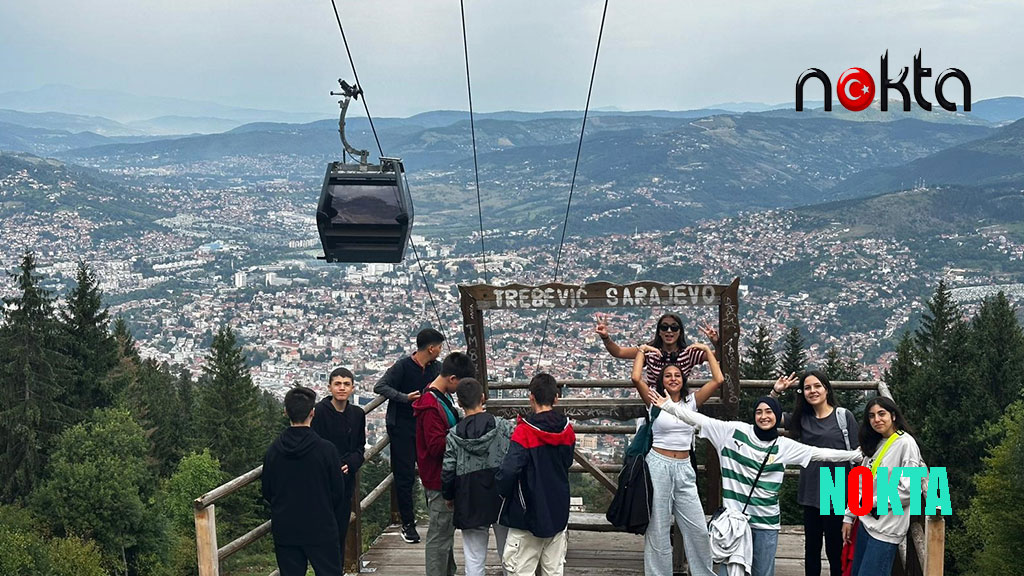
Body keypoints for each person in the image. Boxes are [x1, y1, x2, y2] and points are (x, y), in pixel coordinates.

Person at [649, 390, 861, 576]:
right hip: (735, 522)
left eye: (769, 412)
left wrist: (856, 455)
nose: (763, 416)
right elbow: (698, 419)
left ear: (777, 417)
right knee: (731, 570)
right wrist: (668, 407)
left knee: (766, 570)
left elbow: (820, 453)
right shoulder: (733, 432)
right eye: (759, 412)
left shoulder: (786, 445)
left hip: (768, 521)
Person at [631, 351, 722, 576]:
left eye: (677, 375)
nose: (673, 378)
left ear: (684, 380)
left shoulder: (692, 402)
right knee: (658, 529)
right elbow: (635, 378)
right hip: (657, 465)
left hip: (684, 466)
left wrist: (707, 350)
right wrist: (642, 351)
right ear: (661, 381)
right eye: (668, 376)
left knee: (698, 528)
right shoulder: (654, 400)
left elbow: (718, 380)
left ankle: (703, 572)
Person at [771, 370, 859, 576]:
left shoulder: (844, 417)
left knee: (835, 549)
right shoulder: (802, 419)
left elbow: (858, 455)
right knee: (811, 549)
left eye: (817, 386)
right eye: (808, 388)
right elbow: (768, 416)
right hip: (811, 488)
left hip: (837, 487)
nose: (813, 391)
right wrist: (776, 392)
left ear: (826, 389)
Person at [496, 373, 575, 576]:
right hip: (558, 508)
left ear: (531, 397)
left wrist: (503, 492)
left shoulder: (524, 432)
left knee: (521, 569)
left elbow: (509, 469)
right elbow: (566, 462)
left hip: (526, 511)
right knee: (554, 570)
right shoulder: (567, 431)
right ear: (556, 398)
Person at [262, 387, 345, 576]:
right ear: (312, 413)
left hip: (286, 526)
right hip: (321, 525)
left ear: (285, 412)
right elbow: (338, 492)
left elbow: (267, 490)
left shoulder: (273, 450)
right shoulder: (326, 450)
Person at [374, 328, 446, 543]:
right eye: (439, 347)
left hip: (425, 426)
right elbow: (380, 386)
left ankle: (435, 518)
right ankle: (408, 523)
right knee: (404, 476)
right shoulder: (404, 366)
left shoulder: (436, 368)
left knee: (430, 472)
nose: (440, 351)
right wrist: (404, 397)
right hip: (403, 427)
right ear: (431, 348)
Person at [842, 397, 925, 576]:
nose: (876, 420)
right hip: (866, 523)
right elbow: (862, 482)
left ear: (893, 416)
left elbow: (910, 490)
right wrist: (849, 516)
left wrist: (871, 503)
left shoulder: (906, 443)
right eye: (871, 416)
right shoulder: (877, 442)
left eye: (882, 414)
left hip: (886, 530)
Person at [441, 377, 515, 576]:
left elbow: (448, 470)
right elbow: (515, 458)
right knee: (509, 553)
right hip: (501, 494)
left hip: (469, 495)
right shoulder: (503, 427)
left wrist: (449, 496)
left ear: (459, 403)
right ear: (483, 398)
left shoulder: (454, 435)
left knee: (474, 557)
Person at [414, 352, 475, 576]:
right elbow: (436, 446)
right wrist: (464, 432)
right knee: (439, 536)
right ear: (452, 379)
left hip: (442, 475)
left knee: (444, 534)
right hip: (438, 477)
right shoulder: (431, 405)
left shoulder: (438, 397)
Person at [312, 367, 367, 570]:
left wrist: (351, 463)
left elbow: (360, 447)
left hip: (346, 480)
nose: (342, 388)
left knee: (341, 528)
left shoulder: (358, 414)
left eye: (346, 384)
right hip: (324, 481)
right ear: (329, 387)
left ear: (352, 388)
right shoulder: (318, 413)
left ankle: (338, 570)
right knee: (325, 531)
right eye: (337, 384)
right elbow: (315, 445)